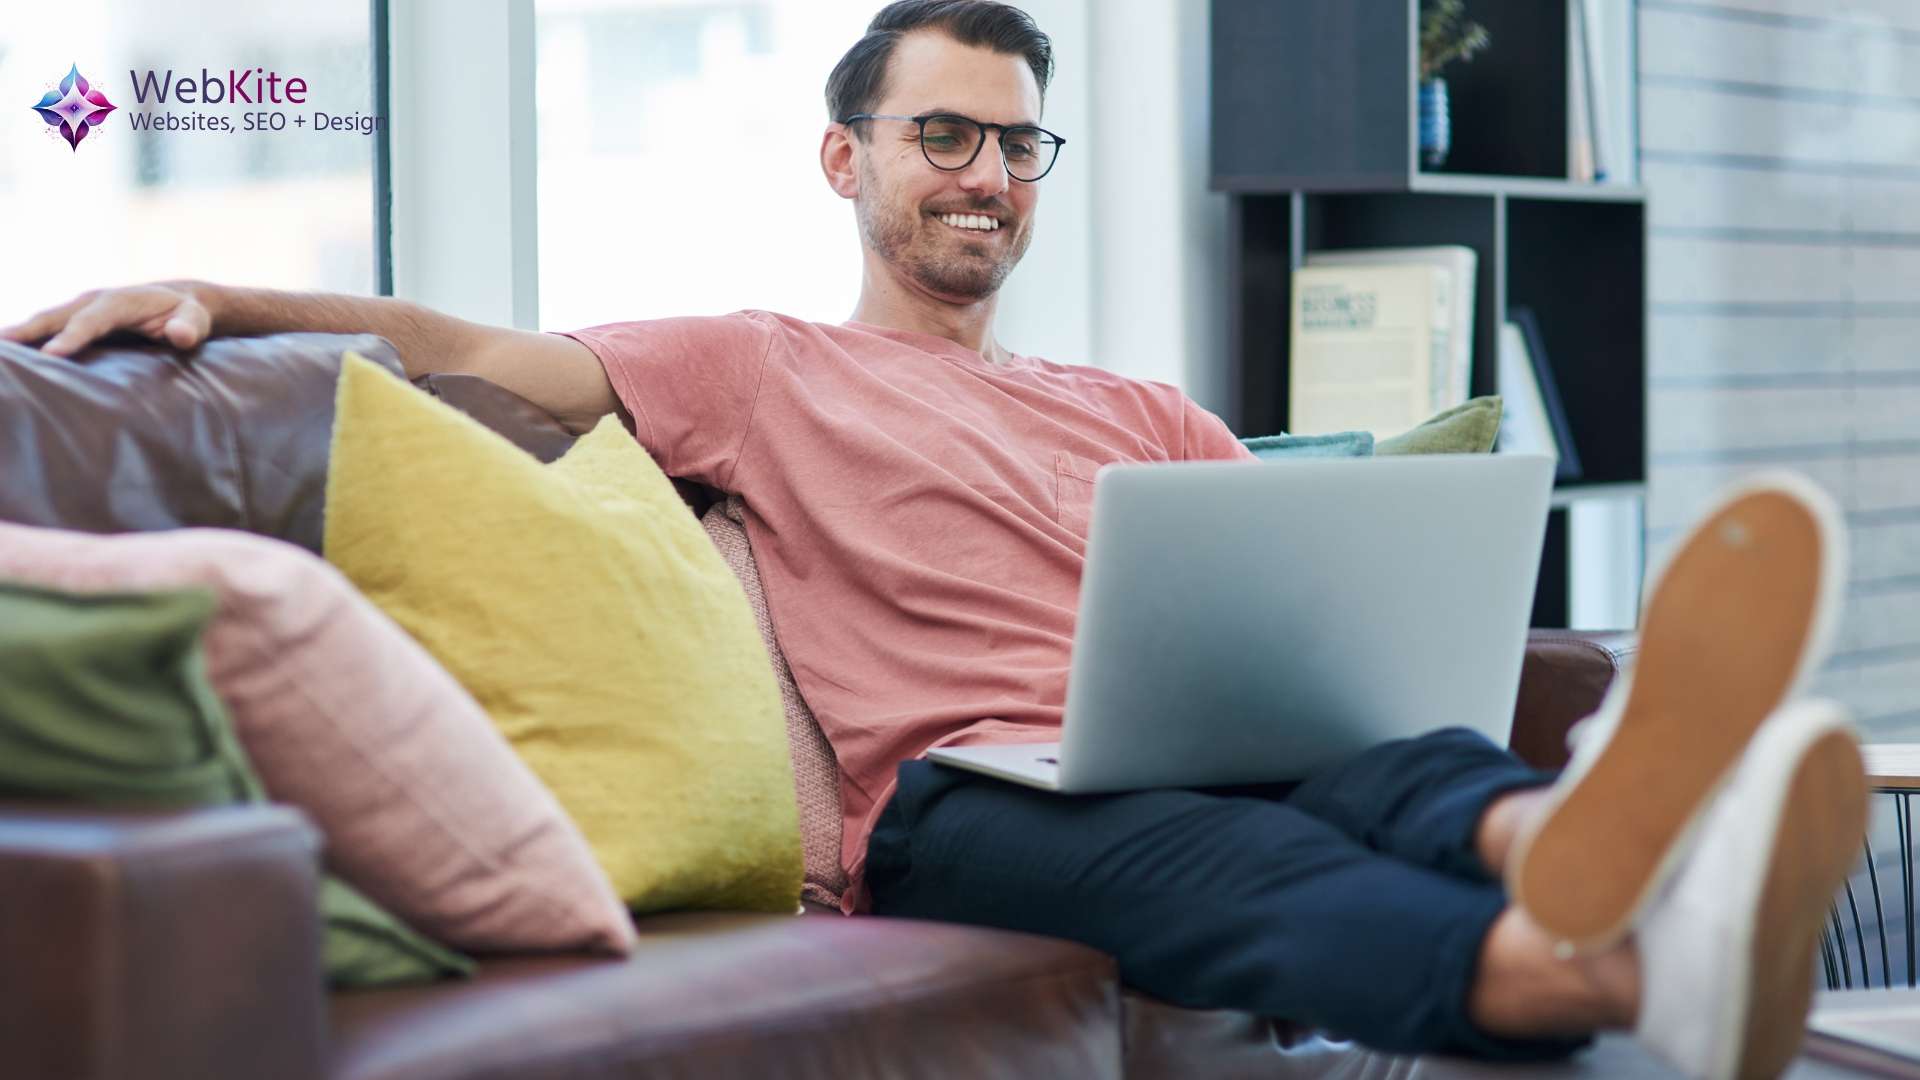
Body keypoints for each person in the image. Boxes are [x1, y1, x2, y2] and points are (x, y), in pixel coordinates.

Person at [0, 3, 1869, 1074]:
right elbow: (478, 357)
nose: (987, 175)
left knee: (1382, 755)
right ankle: (1608, 967)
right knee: (1217, 849)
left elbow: (1303, 591)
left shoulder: (1139, 408)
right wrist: (217, 285)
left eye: (1018, 147)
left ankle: (1577, 835)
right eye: (946, 137)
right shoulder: (752, 365)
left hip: (1202, 737)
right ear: (854, 160)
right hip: (960, 794)